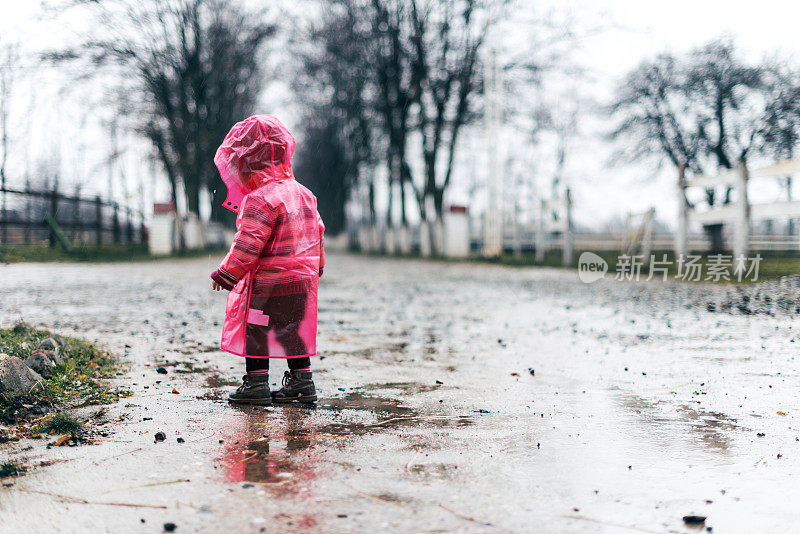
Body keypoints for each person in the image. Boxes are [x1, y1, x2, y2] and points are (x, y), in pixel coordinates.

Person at [210, 115, 324, 405]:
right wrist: (317, 267)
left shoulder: (260, 199)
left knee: (256, 330)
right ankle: (302, 382)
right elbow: (317, 234)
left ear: (247, 165)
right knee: (291, 332)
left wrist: (227, 273)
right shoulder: (306, 195)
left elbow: (248, 244)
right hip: (300, 285)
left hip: (268, 287)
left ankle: (257, 384)